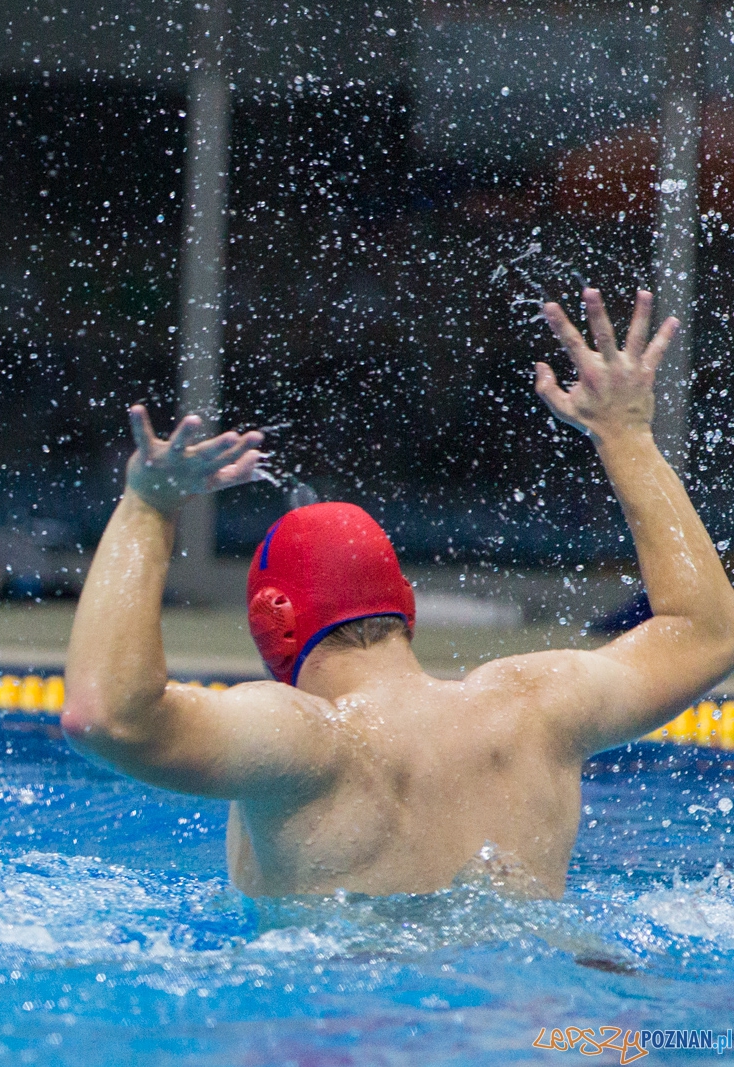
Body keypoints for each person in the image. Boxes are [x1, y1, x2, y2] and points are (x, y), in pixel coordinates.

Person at [62, 288, 734, 899]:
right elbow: (709, 633)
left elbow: (106, 717)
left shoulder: (302, 743)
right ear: (403, 605)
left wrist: (146, 509)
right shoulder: (535, 709)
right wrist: (626, 436)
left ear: (275, 624)